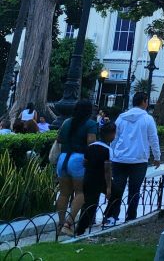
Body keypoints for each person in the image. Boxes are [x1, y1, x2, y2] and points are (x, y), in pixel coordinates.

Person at [107, 92, 161, 222]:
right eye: (147, 101)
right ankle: (130, 217)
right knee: (134, 190)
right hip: (139, 159)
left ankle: (111, 216)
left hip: (120, 158)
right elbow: (153, 139)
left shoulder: (121, 118)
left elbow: (115, 137)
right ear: (143, 102)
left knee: (117, 189)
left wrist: (112, 153)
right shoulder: (147, 119)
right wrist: (157, 156)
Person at [54, 99, 98, 235]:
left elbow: (59, 139)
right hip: (79, 159)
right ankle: (68, 223)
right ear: (89, 110)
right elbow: (91, 143)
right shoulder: (91, 124)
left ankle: (60, 223)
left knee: (63, 193)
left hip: (63, 158)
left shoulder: (67, 122)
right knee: (80, 193)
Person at [76, 122, 115, 235]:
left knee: (88, 203)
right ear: (110, 135)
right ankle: (108, 216)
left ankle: (81, 228)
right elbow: (107, 169)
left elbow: (85, 162)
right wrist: (108, 187)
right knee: (116, 193)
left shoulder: (90, 146)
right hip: (100, 180)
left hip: (88, 178)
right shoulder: (108, 150)